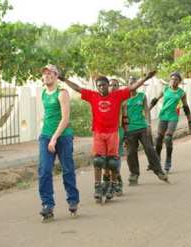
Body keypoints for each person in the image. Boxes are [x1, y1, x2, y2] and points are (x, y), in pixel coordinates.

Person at [59, 70, 156, 203]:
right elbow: (78, 88)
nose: (101, 87)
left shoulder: (117, 96)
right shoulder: (93, 96)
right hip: (98, 133)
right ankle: (98, 187)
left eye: (104, 85)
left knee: (113, 162)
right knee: (98, 161)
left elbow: (133, 87)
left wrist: (146, 78)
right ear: (96, 86)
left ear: (108, 85)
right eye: (99, 85)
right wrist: (64, 79)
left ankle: (113, 185)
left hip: (113, 134)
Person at [38, 64, 80, 221]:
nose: (47, 75)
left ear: (56, 76)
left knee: (67, 169)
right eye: (45, 73)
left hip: (63, 136)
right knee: (44, 170)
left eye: (51, 73)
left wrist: (54, 138)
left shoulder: (62, 93)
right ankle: (47, 205)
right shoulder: (43, 93)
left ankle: (73, 200)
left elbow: (65, 118)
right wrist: (45, 131)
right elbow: (48, 114)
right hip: (46, 135)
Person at [123, 76, 169, 185]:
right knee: (131, 152)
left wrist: (148, 124)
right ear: (128, 85)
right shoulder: (124, 98)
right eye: (131, 83)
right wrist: (123, 131)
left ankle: (158, 170)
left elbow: (146, 111)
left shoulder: (142, 96)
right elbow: (121, 115)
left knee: (150, 149)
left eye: (135, 83)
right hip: (130, 129)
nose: (133, 86)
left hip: (142, 127)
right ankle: (134, 174)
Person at [150, 72, 191, 173]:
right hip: (163, 116)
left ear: (179, 81)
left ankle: (168, 159)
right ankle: (157, 159)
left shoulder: (181, 93)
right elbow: (155, 100)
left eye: (176, 79)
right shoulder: (165, 89)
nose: (173, 81)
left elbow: (186, 107)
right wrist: (147, 110)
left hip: (173, 117)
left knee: (168, 137)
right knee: (158, 138)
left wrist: (190, 121)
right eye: (172, 79)